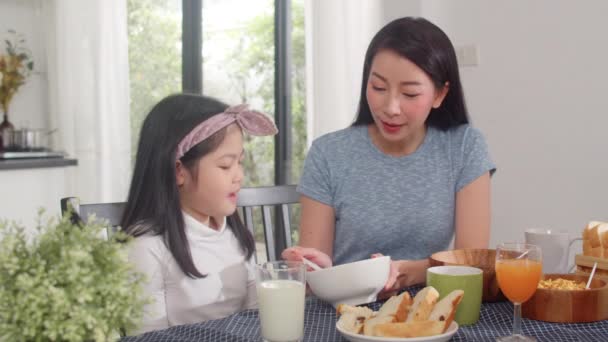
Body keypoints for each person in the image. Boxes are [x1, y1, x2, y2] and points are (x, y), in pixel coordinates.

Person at [283, 17, 495, 296]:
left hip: (433, 310)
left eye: (409, 93)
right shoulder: (328, 154)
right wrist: (314, 270)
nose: (391, 107)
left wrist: (411, 273)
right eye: (379, 88)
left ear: (440, 94)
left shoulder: (464, 147)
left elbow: (471, 264)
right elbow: (315, 276)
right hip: (345, 310)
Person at [121, 94, 277, 334]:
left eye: (240, 163)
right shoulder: (147, 246)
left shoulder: (232, 231)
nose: (238, 176)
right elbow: (146, 337)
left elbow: (254, 316)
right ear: (179, 171)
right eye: (225, 165)